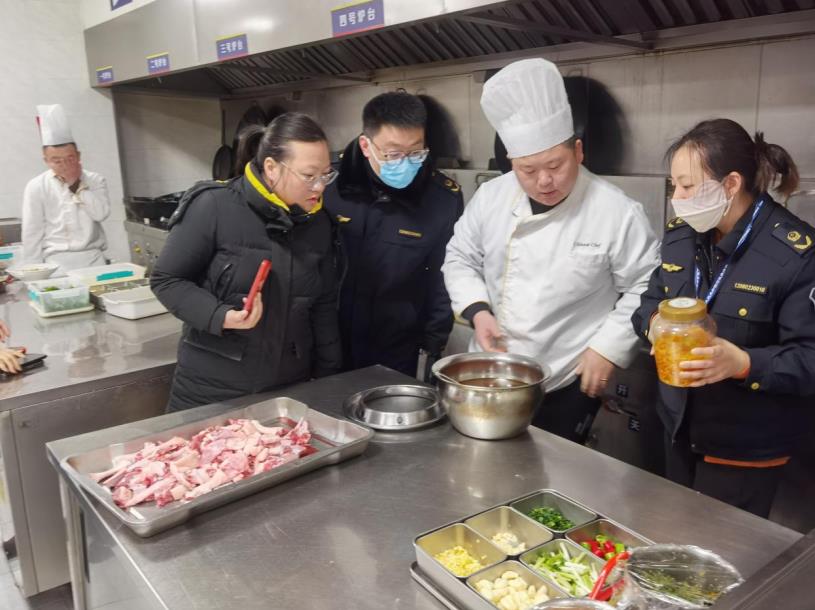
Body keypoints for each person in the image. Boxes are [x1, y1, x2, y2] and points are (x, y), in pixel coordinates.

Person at [443, 58, 660, 444]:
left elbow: (646, 285)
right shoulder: (491, 197)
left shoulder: (616, 212)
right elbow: (460, 257)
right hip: (493, 371)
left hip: (566, 378)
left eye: (555, 165)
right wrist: (478, 311)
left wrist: (607, 349)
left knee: (554, 468)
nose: (544, 181)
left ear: (578, 151)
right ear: (512, 163)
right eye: (527, 170)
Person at [632, 119, 815, 518]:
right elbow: (649, 301)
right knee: (678, 536)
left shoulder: (795, 255)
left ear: (731, 184)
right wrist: (655, 325)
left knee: (721, 551)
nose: (677, 199)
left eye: (688, 186)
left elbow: (809, 357)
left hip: (744, 448)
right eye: (674, 186)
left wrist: (743, 363)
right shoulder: (682, 236)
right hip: (677, 428)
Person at [151, 112, 342, 412]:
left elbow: (323, 306)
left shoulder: (318, 223)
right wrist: (221, 316)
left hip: (288, 388)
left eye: (326, 175)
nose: (319, 187)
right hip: (211, 389)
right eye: (309, 176)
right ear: (272, 168)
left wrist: (329, 378)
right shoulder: (214, 205)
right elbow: (167, 279)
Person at [323, 91, 463, 377]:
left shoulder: (441, 199)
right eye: (394, 154)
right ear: (366, 146)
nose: (406, 163)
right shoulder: (329, 184)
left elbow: (444, 276)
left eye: (416, 152)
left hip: (397, 345)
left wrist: (433, 345)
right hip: (329, 339)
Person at [22, 104, 110, 270]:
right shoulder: (36, 186)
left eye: (70, 159)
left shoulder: (95, 179)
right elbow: (32, 231)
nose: (64, 165)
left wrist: (75, 183)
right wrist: (32, 268)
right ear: (46, 161)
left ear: (78, 156)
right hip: (55, 262)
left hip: (93, 259)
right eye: (56, 161)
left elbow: (100, 214)